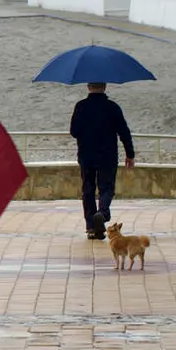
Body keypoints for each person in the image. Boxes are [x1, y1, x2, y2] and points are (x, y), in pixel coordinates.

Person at [69, 82, 136, 239]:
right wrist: (130, 154)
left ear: (88, 86)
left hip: (87, 156)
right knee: (107, 188)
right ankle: (102, 213)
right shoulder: (112, 107)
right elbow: (124, 132)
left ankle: (92, 227)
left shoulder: (81, 107)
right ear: (104, 87)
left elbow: (74, 131)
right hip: (108, 156)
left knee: (88, 190)